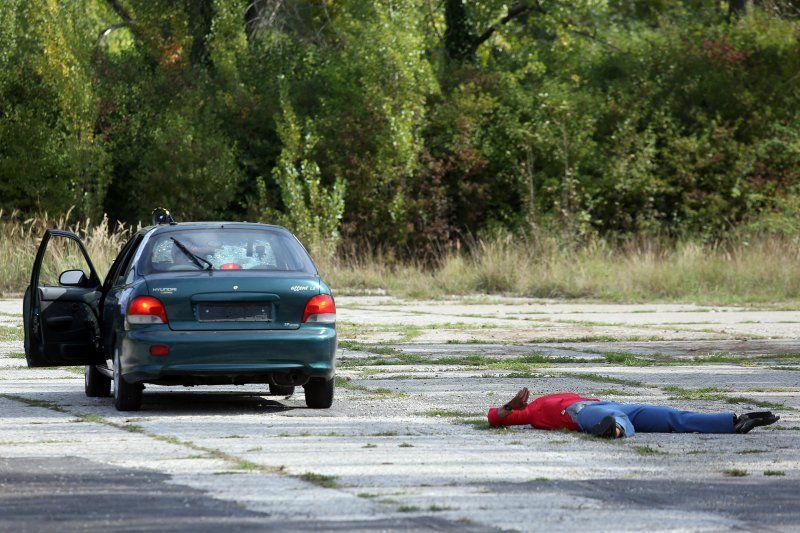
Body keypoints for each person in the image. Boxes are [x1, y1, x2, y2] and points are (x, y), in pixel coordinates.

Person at [488, 388, 780, 438]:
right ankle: (613, 432)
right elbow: (493, 418)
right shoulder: (531, 413)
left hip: (608, 404)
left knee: (672, 417)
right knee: (612, 422)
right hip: (578, 414)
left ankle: (735, 422)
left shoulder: (543, 401)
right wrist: (508, 408)